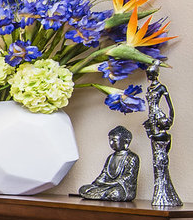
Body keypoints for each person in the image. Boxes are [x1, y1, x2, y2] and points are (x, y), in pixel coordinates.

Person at [143, 63, 183, 208]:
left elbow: (170, 105)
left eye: (151, 73)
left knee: (160, 157)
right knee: (155, 155)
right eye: (148, 74)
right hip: (151, 119)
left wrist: (170, 120)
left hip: (158, 118)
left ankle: (164, 192)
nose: (149, 76)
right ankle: (160, 191)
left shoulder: (161, 87)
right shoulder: (149, 88)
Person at [78, 126, 139, 201]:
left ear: (126, 142)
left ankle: (104, 194)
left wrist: (112, 183)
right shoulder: (110, 157)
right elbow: (105, 173)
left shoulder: (132, 157)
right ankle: (104, 194)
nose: (111, 143)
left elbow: (128, 177)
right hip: (107, 186)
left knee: (115, 194)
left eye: (114, 140)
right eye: (110, 140)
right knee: (83, 189)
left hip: (122, 188)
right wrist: (98, 182)